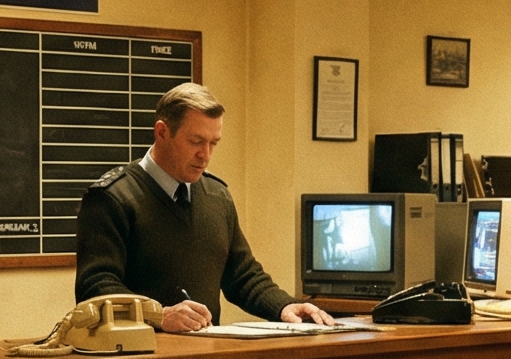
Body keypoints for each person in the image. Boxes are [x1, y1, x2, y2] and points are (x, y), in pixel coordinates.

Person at [73, 82, 333, 333]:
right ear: (162, 132)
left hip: (203, 355)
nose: (205, 155)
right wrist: (158, 315)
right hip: (138, 358)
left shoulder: (216, 195)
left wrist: (285, 306)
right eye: (196, 141)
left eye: (213, 143)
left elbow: (243, 277)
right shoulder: (112, 197)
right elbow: (95, 286)